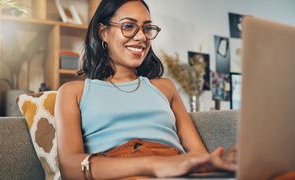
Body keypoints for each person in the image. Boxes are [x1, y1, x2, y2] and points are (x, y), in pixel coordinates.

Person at [55, 0, 236, 179]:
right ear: (103, 32)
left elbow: (198, 156)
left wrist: (220, 162)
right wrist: (151, 165)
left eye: (147, 28)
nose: (141, 37)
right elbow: (70, 167)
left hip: (175, 170)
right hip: (119, 170)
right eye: (128, 26)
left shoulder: (165, 88)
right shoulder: (73, 92)